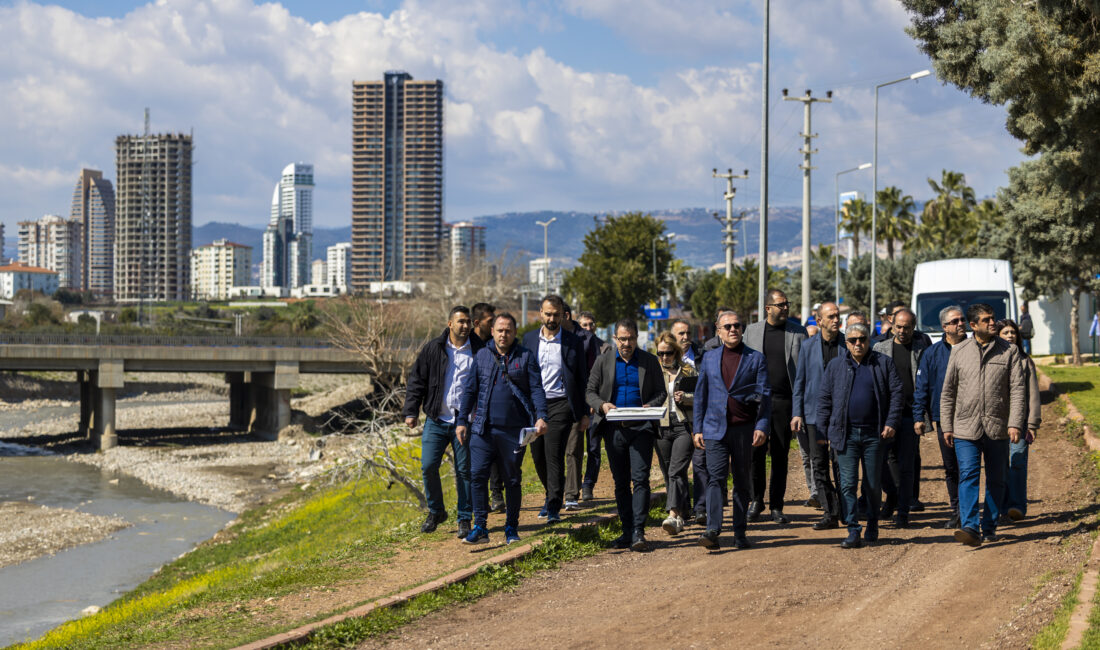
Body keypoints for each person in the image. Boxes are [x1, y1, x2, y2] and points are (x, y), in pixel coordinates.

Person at [456, 313, 548, 545]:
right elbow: (470, 390)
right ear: (493, 332)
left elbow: (537, 389)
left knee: (512, 480)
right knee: (477, 476)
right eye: (499, 330)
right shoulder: (482, 356)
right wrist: (461, 421)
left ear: (514, 333)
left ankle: (511, 528)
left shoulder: (526, 357)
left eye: (508, 330)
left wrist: (541, 417)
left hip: (514, 432)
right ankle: (480, 528)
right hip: (483, 429)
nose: (503, 334)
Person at [940, 303, 1026, 547]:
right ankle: (969, 526)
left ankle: (988, 526)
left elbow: (1018, 390)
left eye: (993, 319)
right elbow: (948, 393)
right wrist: (947, 425)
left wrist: (1015, 423)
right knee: (968, 474)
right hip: (965, 427)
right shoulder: (959, 351)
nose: (993, 323)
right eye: (987, 320)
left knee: (997, 479)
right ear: (973, 325)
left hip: (997, 426)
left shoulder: (1008, 351)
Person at [817, 322, 903, 549]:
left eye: (862, 340)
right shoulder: (836, 366)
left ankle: (872, 523)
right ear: (846, 343)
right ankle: (853, 529)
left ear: (868, 341)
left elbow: (896, 394)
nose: (858, 344)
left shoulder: (883, 363)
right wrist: (823, 430)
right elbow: (825, 398)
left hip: (875, 434)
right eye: (853, 340)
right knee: (847, 484)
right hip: (845, 435)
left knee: (873, 484)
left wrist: (891, 422)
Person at [402, 306, 483, 539]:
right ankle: (436, 512)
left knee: (464, 471)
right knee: (428, 466)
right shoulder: (434, 349)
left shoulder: (480, 351)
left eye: (468, 322)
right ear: (450, 324)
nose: (465, 326)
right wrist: (411, 411)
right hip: (436, 419)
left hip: (465, 422)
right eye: (461, 322)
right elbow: (417, 380)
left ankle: (465, 518)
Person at [586, 318, 667, 551]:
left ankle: (639, 532)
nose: (627, 343)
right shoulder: (603, 362)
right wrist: (602, 405)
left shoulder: (650, 361)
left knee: (640, 478)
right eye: (622, 339)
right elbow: (590, 392)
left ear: (636, 337)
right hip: (614, 430)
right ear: (615, 339)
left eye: (631, 338)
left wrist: (649, 406)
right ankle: (626, 530)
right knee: (621, 482)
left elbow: (661, 392)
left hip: (641, 428)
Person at [693, 310, 770, 550]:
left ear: (742, 328)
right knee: (715, 479)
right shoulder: (709, 358)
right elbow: (700, 395)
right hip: (715, 429)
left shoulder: (755, 359)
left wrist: (762, 426)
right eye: (727, 326)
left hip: (744, 430)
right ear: (718, 330)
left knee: (741, 482)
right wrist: (697, 428)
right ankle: (713, 529)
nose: (733, 329)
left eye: (737, 325)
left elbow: (766, 396)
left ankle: (739, 532)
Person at [743, 289, 807, 524]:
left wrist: (798, 410)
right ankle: (756, 501)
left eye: (787, 304)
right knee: (755, 454)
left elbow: (803, 375)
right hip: (757, 403)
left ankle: (777, 506)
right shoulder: (752, 332)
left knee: (780, 456)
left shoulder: (798, 333)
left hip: (784, 402)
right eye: (781, 305)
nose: (786, 308)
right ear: (768, 308)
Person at [522, 295, 588, 522]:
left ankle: (553, 506)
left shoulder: (572, 342)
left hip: (561, 403)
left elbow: (581, 378)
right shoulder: (529, 339)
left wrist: (583, 412)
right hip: (534, 405)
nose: (552, 318)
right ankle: (550, 494)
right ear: (540, 313)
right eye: (548, 314)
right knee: (537, 455)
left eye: (556, 315)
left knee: (554, 454)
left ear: (563, 315)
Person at [872, 308, 928, 528]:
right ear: (891, 325)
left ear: (913, 327)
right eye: (898, 327)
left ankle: (902, 511)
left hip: (910, 416)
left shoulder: (921, 349)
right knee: (881, 462)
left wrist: (922, 415)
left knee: (906, 466)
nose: (902, 331)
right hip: (884, 416)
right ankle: (891, 495)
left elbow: (925, 384)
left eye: (907, 327)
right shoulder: (880, 349)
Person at [913, 305, 967, 529]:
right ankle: (957, 511)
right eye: (955, 321)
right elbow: (922, 387)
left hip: (971, 416)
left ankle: (972, 510)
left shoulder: (973, 349)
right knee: (951, 467)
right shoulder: (932, 354)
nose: (961, 324)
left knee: (969, 466)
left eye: (962, 320)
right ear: (944, 327)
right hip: (944, 418)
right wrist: (919, 416)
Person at [792, 301, 844, 530]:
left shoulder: (848, 343)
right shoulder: (807, 346)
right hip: (814, 417)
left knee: (842, 465)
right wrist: (797, 413)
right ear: (819, 320)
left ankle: (846, 509)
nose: (836, 320)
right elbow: (800, 382)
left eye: (837, 315)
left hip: (842, 415)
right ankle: (830, 512)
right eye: (831, 316)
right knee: (819, 464)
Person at [994, 319, 1041, 522]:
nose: (1010, 336)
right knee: (1000, 465)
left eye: (1013, 332)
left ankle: (1017, 505)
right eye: (1005, 332)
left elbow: (1033, 395)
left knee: (1018, 463)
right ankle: (1002, 506)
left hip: (1020, 423)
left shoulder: (1025, 360)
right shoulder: (992, 360)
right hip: (996, 423)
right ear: (997, 336)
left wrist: (1032, 424)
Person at [654, 331, 697, 536]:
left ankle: (672, 514)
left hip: (683, 426)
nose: (664, 357)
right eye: (660, 353)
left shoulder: (688, 371)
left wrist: (686, 398)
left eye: (668, 353)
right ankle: (683, 511)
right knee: (667, 472)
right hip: (661, 427)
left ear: (676, 352)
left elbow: (701, 396)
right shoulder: (654, 371)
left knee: (676, 470)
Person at [470, 302, 506, 513]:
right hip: (472, 405)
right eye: (489, 321)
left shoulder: (496, 345)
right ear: (478, 323)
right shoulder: (470, 345)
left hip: (492, 403)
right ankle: (478, 500)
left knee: (495, 451)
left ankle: (497, 495)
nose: (494, 325)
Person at [561, 304, 596, 509]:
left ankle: (572, 494)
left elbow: (591, 372)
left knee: (574, 448)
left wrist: (589, 400)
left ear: (565, 315)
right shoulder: (545, 337)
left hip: (577, 401)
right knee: (552, 451)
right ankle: (554, 492)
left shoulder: (585, 339)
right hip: (552, 402)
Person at [577, 310, 610, 502]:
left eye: (591, 325)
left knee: (594, 447)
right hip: (576, 405)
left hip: (595, 407)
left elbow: (607, 379)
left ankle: (588, 484)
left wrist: (596, 401)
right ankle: (571, 486)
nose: (588, 328)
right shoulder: (572, 347)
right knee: (573, 449)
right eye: (584, 325)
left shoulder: (604, 348)